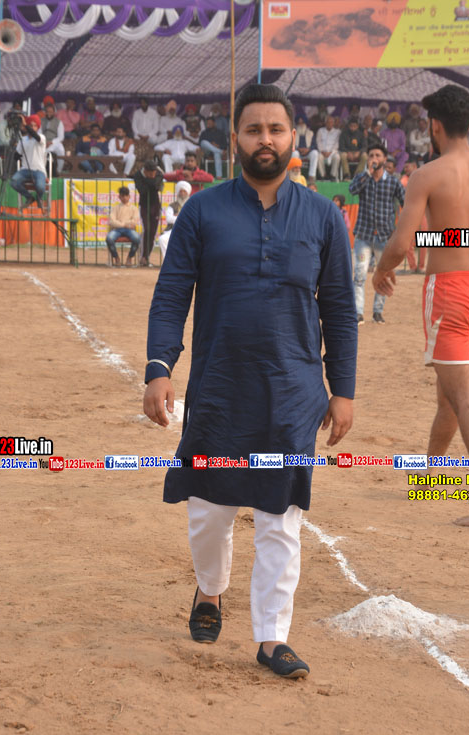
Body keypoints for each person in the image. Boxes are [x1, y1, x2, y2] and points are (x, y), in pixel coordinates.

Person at [143, 83, 357, 678]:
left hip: (293, 392)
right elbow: (171, 294)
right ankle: (210, 589)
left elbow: (340, 309)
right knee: (209, 513)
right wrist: (159, 368)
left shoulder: (323, 216)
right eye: (254, 129)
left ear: (294, 138)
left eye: (276, 130)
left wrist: (343, 389)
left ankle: (271, 637)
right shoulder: (203, 211)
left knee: (279, 518)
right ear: (234, 138)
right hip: (218, 390)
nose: (266, 140)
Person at [372, 84, 469, 527]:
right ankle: (430, 473)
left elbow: (401, 243)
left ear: (434, 126)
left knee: (463, 395)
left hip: (449, 291)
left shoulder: (427, 175)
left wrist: (381, 270)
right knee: (450, 392)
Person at [349, 142, 405, 324]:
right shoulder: (362, 178)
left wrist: (400, 229)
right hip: (363, 236)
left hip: (384, 237)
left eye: (377, 155)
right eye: (371, 155)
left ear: (385, 159)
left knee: (384, 274)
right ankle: (358, 312)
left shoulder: (393, 182)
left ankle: (377, 312)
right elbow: (352, 190)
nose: (374, 159)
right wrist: (367, 173)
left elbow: (405, 201)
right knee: (359, 275)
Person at [10, 115, 47, 209]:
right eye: (31, 125)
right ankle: (29, 197)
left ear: (38, 128)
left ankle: (39, 198)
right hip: (25, 169)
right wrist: (13, 147)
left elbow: (34, 134)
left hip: (39, 170)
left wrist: (25, 125)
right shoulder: (22, 140)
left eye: (35, 126)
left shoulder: (41, 137)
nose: (33, 127)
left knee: (40, 187)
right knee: (13, 182)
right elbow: (16, 157)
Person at [133, 158, 164, 267]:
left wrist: (147, 181)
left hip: (155, 205)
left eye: (154, 173)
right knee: (147, 229)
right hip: (144, 205)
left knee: (153, 232)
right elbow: (142, 190)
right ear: (145, 171)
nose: (153, 175)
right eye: (150, 173)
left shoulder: (158, 173)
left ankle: (146, 256)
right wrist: (151, 182)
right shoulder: (138, 175)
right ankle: (143, 255)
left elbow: (156, 186)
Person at [400, 159, 426, 273]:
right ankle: (412, 266)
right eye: (404, 167)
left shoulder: (423, 177)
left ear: (414, 166)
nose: (405, 169)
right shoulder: (404, 180)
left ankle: (421, 266)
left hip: (423, 212)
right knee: (407, 241)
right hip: (409, 213)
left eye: (407, 166)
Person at [106, 185, 140, 267]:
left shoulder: (134, 208)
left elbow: (134, 222)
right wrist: (125, 224)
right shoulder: (115, 208)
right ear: (119, 197)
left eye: (126, 196)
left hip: (129, 230)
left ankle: (129, 258)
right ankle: (116, 258)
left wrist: (120, 223)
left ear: (129, 196)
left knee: (137, 238)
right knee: (109, 238)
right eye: (122, 196)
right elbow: (111, 221)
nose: (124, 198)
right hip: (117, 230)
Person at [157, 180, 191, 262]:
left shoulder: (192, 204)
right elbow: (169, 219)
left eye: (184, 191)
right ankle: (169, 261)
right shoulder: (172, 206)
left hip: (189, 230)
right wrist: (183, 218)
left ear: (188, 192)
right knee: (162, 239)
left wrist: (177, 216)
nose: (182, 193)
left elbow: (192, 219)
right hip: (174, 229)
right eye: (181, 191)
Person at [40, 103, 65, 173]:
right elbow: (39, 133)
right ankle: (42, 171)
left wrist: (51, 142)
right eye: (47, 112)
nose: (49, 113)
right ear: (45, 112)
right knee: (42, 152)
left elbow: (61, 137)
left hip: (54, 142)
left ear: (54, 112)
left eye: (51, 112)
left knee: (61, 150)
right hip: (43, 142)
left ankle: (59, 171)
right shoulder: (41, 121)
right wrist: (44, 142)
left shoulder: (59, 122)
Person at [316, 115, 340, 181]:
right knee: (318, 157)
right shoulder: (320, 131)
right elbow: (318, 141)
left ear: (333, 123)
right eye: (328, 122)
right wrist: (322, 151)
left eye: (331, 122)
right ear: (325, 123)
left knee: (337, 157)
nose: (329, 124)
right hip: (322, 152)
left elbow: (337, 143)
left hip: (333, 152)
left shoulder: (337, 132)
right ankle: (322, 175)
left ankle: (333, 175)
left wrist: (330, 152)